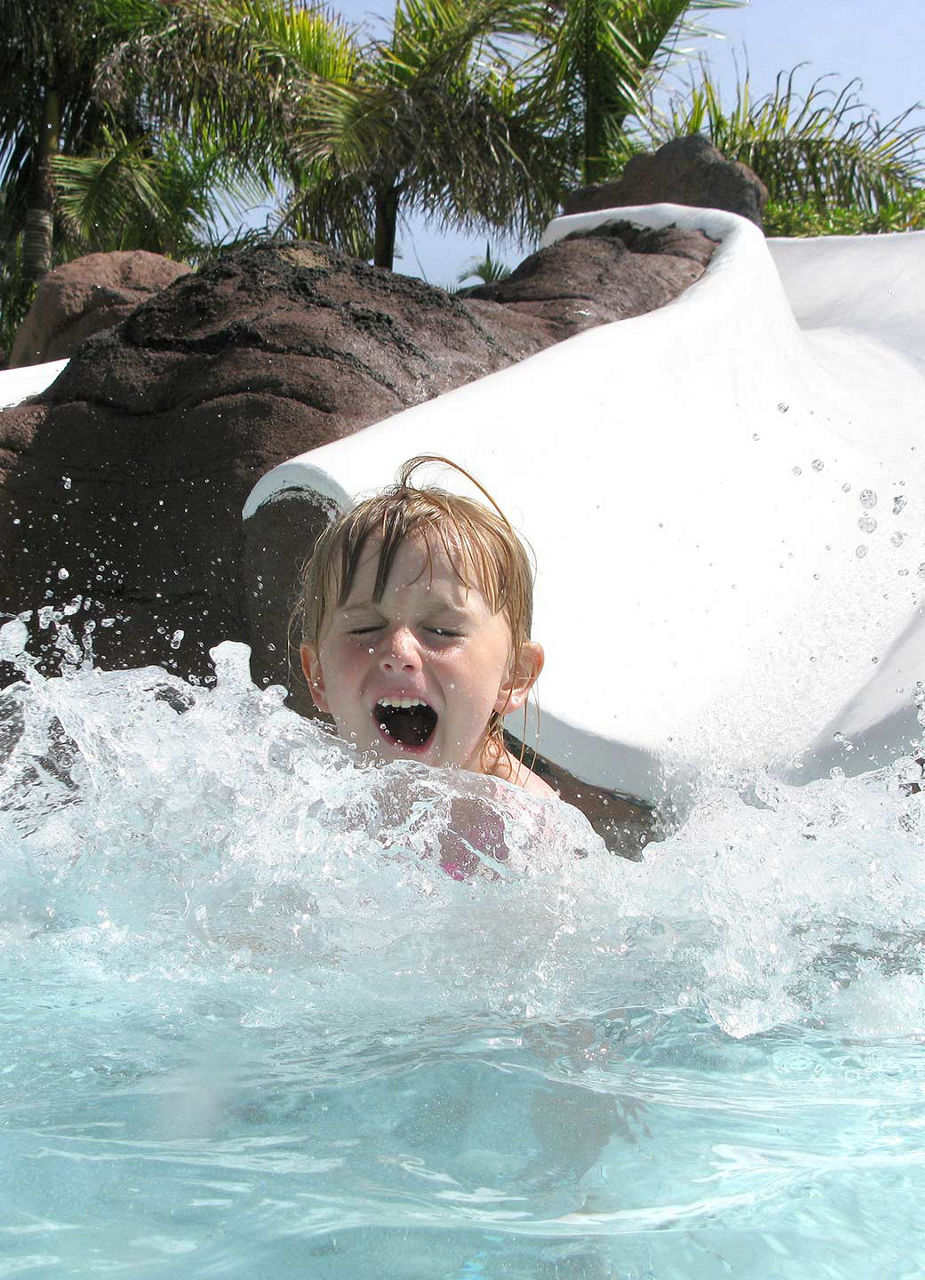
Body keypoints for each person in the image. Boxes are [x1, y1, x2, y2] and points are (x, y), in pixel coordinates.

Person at [297, 455, 557, 803]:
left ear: (515, 677)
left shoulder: (521, 825)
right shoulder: (301, 791)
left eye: (442, 630)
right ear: (318, 677)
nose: (398, 653)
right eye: (365, 628)